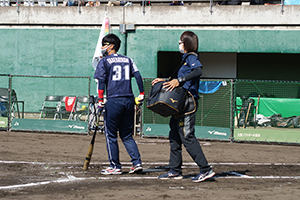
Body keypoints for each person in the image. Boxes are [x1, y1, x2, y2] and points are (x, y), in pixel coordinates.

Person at [152, 31, 215, 183]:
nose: (179, 44)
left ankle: (205, 169)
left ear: (187, 43)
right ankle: (175, 170)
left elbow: (198, 71)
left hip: (188, 103)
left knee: (187, 136)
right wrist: (166, 80)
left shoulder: (192, 57)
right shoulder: (185, 59)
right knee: (174, 136)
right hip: (179, 103)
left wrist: (178, 80)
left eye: (181, 41)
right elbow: (180, 80)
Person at [94, 33, 145, 175]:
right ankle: (136, 163)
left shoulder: (104, 61)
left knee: (110, 134)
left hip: (114, 100)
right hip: (129, 100)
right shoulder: (128, 59)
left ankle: (115, 166)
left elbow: (101, 81)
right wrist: (141, 93)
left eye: (104, 44)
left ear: (111, 46)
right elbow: (138, 76)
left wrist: (100, 99)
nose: (102, 47)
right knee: (127, 135)